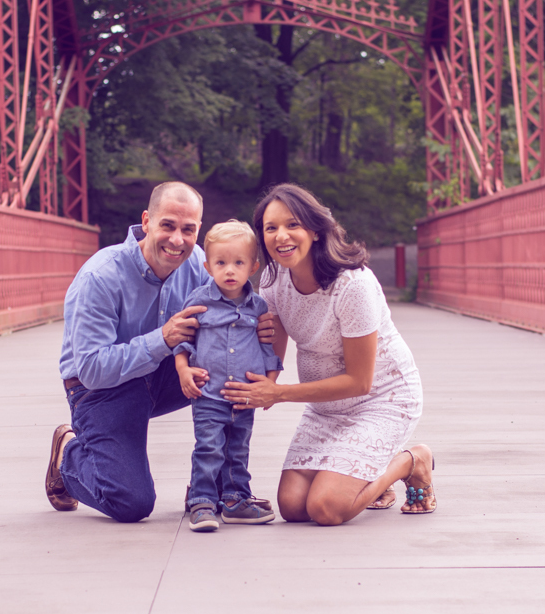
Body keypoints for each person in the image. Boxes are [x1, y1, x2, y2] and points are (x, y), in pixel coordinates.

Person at [45, 182, 278, 523]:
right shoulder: (100, 276)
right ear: (147, 221)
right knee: (130, 502)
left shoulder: (200, 262)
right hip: (101, 388)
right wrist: (162, 339)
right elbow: (92, 370)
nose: (177, 240)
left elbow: (235, 299)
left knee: (229, 375)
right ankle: (68, 455)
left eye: (189, 229)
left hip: (166, 373)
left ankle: (214, 487)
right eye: (167, 225)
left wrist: (256, 325)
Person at [222, 183, 435, 526]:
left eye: (293, 224)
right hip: (326, 408)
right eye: (271, 228)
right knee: (292, 507)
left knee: (327, 508)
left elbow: (360, 381)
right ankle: (362, 472)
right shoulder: (274, 280)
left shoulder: (353, 285)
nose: (281, 236)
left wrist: (279, 394)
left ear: (316, 230)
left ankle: (410, 461)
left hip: (382, 399)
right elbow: (272, 357)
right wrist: (256, 386)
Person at [174, 220, 283, 532]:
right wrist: (183, 368)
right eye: (221, 263)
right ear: (208, 266)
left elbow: (266, 348)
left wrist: (271, 384)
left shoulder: (257, 306)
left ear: (253, 266)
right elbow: (183, 341)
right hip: (209, 394)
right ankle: (202, 501)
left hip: (245, 396)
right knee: (209, 448)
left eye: (238, 263)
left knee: (238, 449)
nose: (230, 270)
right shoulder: (199, 301)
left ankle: (235, 499)